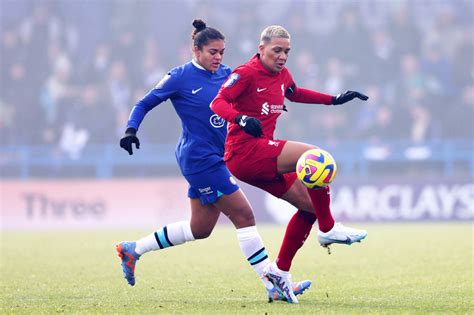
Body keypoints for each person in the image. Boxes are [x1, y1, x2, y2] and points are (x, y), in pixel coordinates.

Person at [116, 20, 310, 303]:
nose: (218, 57)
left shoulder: (227, 75)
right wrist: (131, 129)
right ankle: (273, 284)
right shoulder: (179, 76)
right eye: (212, 52)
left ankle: (133, 249)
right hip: (200, 158)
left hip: (220, 156)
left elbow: (249, 97)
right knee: (244, 215)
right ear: (195, 50)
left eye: (221, 52)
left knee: (200, 228)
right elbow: (144, 102)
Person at [210, 25, 368, 303]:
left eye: (286, 51)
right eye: (277, 50)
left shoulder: (282, 75)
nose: (282, 56)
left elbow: (294, 93)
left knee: (309, 207)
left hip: (258, 156)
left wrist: (334, 100)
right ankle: (329, 229)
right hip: (244, 152)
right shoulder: (245, 73)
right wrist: (240, 119)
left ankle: (280, 272)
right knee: (316, 158)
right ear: (261, 49)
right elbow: (217, 102)